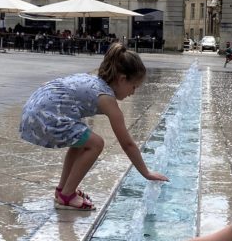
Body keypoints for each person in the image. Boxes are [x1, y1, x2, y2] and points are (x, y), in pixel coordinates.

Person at [19, 42, 168, 211]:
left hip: (34, 110)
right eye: (134, 87)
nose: (133, 93)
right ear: (122, 79)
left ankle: (63, 190)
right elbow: (127, 143)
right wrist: (146, 173)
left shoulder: (93, 80)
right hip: (43, 117)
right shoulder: (106, 98)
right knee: (96, 143)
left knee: (82, 141)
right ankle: (67, 196)